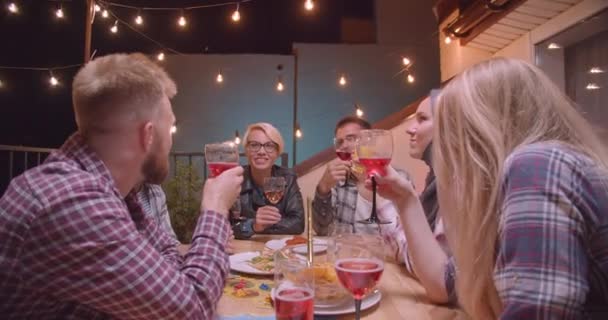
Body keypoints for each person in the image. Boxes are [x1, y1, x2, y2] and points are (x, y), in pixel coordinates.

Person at [0, 53, 243, 319]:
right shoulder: (71, 201)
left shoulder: (112, 191)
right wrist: (216, 207)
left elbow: (167, 260)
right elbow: (192, 309)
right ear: (148, 135)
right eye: (170, 128)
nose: (171, 141)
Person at [377, 58, 608, 319]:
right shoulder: (516, 181)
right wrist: (405, 198)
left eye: (453, 125)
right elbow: (447, 283)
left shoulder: (538, 165)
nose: (447, 144)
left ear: (484, 125)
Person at [311, 116, 411, 265]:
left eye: (351, 138)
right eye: (340, 142)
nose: (344, 146)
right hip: (347, 261)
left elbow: (408, 238)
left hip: (389, 263)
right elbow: (322, 231)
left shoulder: (399, 179)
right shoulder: (339, 181)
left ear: (370, 141)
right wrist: (323, 188)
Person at [233, 122, 305, 239]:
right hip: (242, 250)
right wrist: (254, 225)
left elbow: (297, 224)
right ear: (246, 151)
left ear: (277, 152)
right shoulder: (235, 180)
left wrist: (261, 226)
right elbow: (225, 226)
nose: (261, 151)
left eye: (269, 146)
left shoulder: (288, 178)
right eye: (254, 145)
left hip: (278, 249)